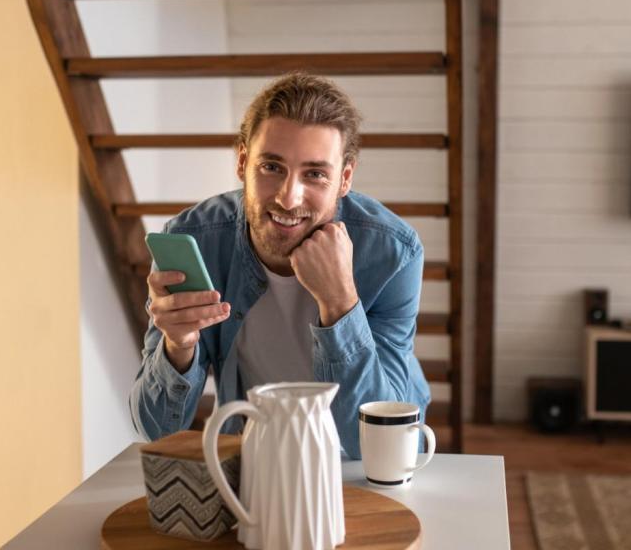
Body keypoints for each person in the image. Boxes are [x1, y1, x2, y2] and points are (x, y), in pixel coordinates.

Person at [129, 73, 430, 459]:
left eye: (315, 174)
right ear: (242, 162)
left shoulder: (392, 252)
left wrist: (340, 304)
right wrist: (178, 347)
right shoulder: (197, 241)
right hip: (259, 457)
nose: (289, 198)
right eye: (272, 167)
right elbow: (156, 431)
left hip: (363, 466)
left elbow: (376, 445)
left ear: (345, 178)